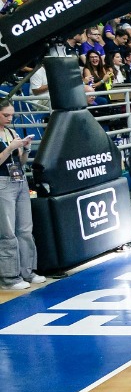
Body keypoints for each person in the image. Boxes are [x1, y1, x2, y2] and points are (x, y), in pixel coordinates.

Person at [0, 101, 40, 291]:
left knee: (25, 229)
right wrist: (9, 148)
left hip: (19, 179)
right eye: (5, 115)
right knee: (7, 232)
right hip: (3, 183)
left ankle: (27, 271)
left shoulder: (11, 132)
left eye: (11, 115)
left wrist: (25, 148)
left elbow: (21, 162)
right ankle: (9, 277)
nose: (10, 119)